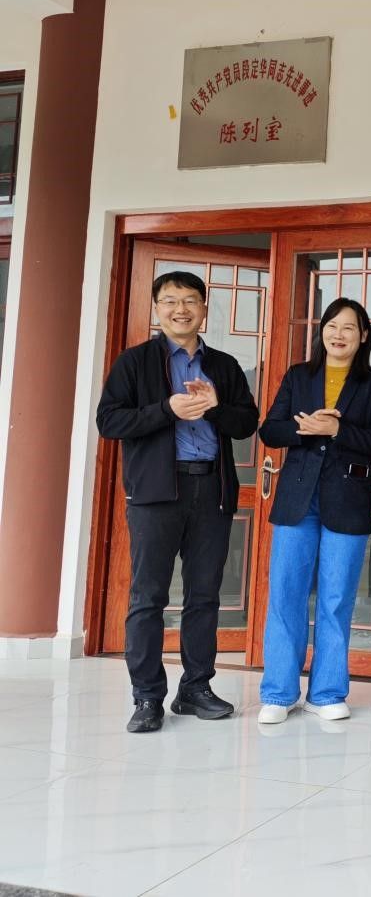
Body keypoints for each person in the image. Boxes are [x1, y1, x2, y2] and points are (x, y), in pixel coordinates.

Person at [96, 271, 258, 733]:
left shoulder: (223, 366)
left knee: (204, 595)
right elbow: (109, 421)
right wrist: (166, 409)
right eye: (169, 300)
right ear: (156, 308)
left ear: (204, 308)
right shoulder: (134, 362)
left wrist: (215, 407)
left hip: (211, 490)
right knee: (148, 596)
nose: (180, 309)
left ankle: (196, 688)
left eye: (189, 300)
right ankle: (147, 697)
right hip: (155, 493)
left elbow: (247, 423)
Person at [256, 298, 371, 724]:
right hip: (298, 499)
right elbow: (269, 430)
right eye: (332, 326)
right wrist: (304, 427)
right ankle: (279, 694)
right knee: (286, 594)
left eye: (349, 328)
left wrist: (338, 429)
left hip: (348, 498)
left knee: (336, 599)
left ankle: (327, 693)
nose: (339, 334)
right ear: (322, 332)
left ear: (363, 336)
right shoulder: (299, 376)